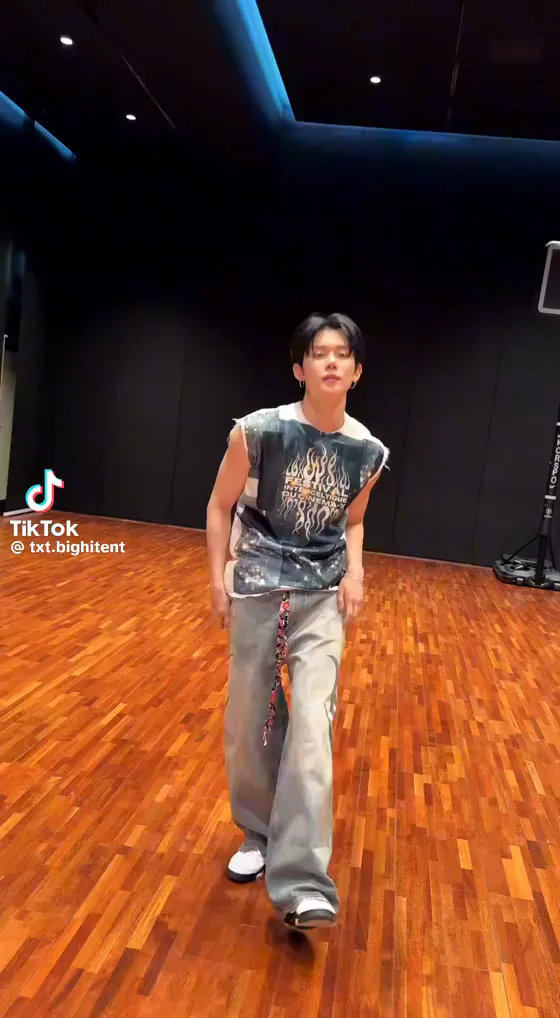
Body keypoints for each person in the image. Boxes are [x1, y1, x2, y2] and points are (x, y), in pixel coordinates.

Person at [206, 312, 389, 931]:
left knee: (313, 725)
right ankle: (258, 834)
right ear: (299, 368)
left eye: (342, 354)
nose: (331, 361)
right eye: (319, 353)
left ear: (357, 372)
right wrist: (217, 579)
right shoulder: (257, 431)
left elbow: (354, 520)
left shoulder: (369, 452)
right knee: (253, 720)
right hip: (259, 586)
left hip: (322, 595)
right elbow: (220, 504)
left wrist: (356, 572)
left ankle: (304, 883)